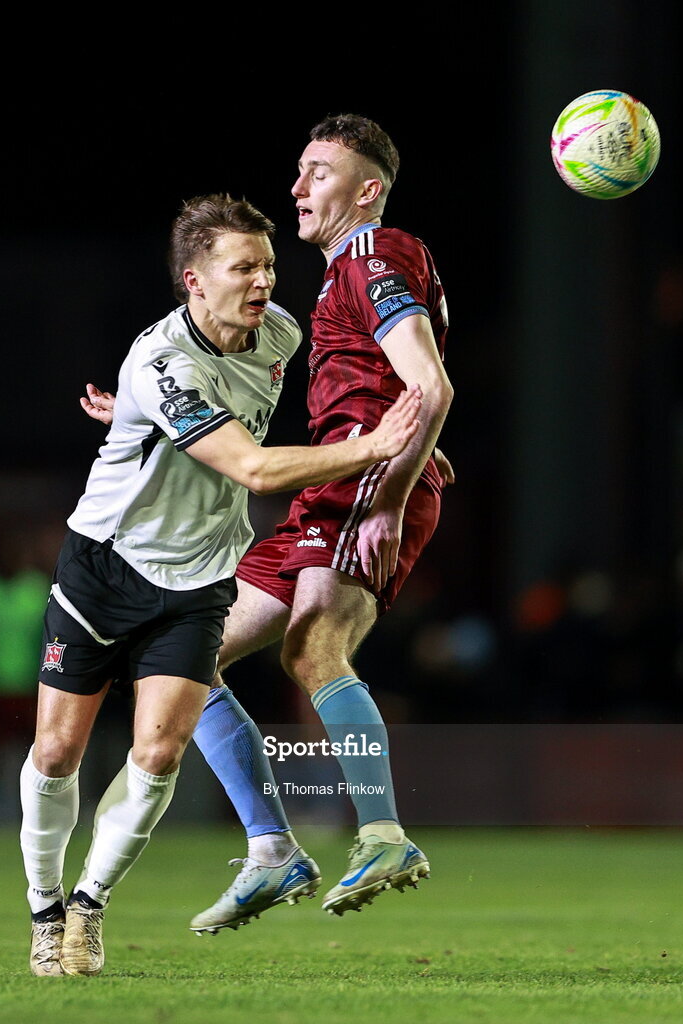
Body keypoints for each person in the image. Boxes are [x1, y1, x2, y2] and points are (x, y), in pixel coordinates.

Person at [19, 193, 423, 978]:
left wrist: (138, 421)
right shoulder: (162, 361)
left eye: (268, 264)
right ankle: (43, 906)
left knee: (161, 752)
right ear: (194, 282)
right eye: (244, 267)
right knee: (58, 747)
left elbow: (223, 430)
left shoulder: (280, 334)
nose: (264, 279)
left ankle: (89, 907)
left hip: (200, 579)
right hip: (105, 568)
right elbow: (254, 466)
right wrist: (375, 447)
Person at [82, 114, 453, 932]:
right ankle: (271, 849)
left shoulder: (373, 252)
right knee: (182, 661)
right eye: (298, 170)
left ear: (368, 190)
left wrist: (391, 493)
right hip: (334, 491)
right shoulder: (337, 280)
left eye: (319, 172)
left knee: (311, 649)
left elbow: (431, 386)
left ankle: (385, 834)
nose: (298, 187)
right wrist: (145, 413)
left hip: (360, 487)